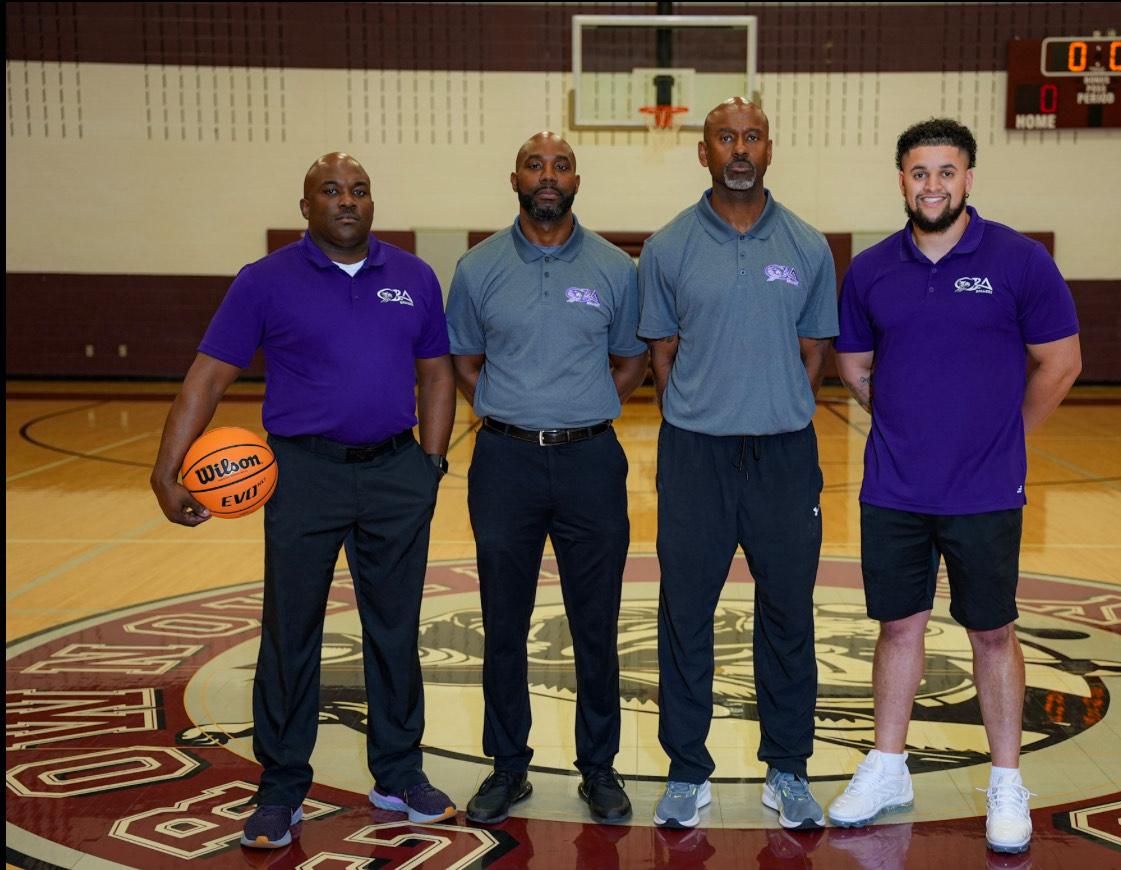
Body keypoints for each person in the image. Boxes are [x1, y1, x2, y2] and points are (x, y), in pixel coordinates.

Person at [149, 153, 458, 849]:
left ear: (372, 202)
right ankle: (282, 785)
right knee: (291, 633)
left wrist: (430, 464)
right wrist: (166, 470)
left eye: (360, 190)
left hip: (394, 474)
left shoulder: (413, 276)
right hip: (303, 474)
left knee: (395, 628)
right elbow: (209, 375)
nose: (348, 201)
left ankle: (399, 773)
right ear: (306, 206)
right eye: (332, 190)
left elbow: (436, 373)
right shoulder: (264, 281)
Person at [827, 118, 1082, 854]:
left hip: (985, 491)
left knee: (993, 632)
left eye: (946, 172)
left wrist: (1009, 434)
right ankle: (887, 767)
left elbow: (1061, 361)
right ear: (901, 181)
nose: (932, 185)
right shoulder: (871, 269)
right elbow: (854, 367)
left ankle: (1006, 781)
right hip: (895, 489)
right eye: (919, 172)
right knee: (897, 627)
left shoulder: (1020, 260)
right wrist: (906, 422)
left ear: (968, 178)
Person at [639, 97, 839, 831]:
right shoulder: (667, 247)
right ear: (705, 152)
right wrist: (708, 411)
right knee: (685, 613)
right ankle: (686, 770)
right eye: (726, 138)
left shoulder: (808, 245)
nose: (740, 149)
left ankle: (788, 767)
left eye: (752, 136)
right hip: (695, 454)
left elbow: (814, 352)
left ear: (770, 149)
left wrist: (770, 405)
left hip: (785, 454)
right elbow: (661, 352)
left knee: (788, 613)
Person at [446, 131, 648, 825]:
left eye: (561, 165)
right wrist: (511, 411)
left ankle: (600, 768)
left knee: (596, 624)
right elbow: (464, 361)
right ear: (515, 179)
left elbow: (631, 361)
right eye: (535, 165)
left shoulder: (616, 267)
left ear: (576, 180)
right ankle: (508, 766)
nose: (548, 175)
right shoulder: (477, 267)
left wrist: (580, 410)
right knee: (504, 622)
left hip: (591, 461)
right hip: (505, 463)